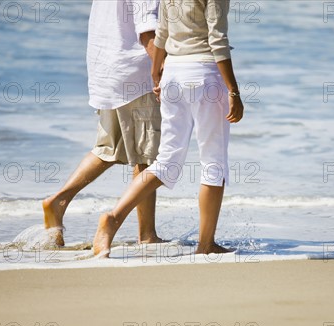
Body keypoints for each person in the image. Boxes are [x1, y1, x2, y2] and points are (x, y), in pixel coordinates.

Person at [93, 0, 244, 257]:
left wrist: (156, 75)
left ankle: (113, 218)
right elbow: (217, 39)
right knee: (213, 163)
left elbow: (161, 33)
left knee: (166, 162)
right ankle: (206, 245)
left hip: (173, 72)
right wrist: (234, 91)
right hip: (204, 74)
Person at [43, 0, 164, 247]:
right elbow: (147, 31)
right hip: (137, 75)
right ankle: (147, 235)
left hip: (109, 70)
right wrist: (161, 72)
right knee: (147, 157)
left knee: (108, 149)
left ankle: (59, 201)